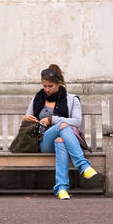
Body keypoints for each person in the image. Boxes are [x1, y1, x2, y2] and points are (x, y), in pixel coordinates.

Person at [19, 63, 97, 199]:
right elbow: (28, 121)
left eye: (50, 86)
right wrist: (26, 118)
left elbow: (77, 122)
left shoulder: (72, 100)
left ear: (59, 83)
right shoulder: (37, 99)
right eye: (45, 86)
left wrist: (52, 119)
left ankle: (61, 188)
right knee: (63, 126)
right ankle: (83, 165)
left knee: (60, 139)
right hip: (40, 138)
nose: (47, 89)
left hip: (64, 139)